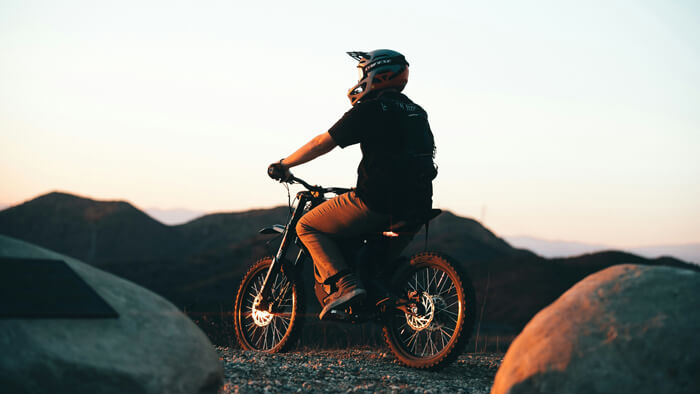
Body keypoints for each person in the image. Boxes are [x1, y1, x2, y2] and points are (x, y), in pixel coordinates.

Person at [268, 49, 437, 320]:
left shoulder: (370, 109)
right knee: (374, 265)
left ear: (376, 75)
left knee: (306, 225)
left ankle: (345, 285)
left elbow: (321, 143)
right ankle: (380, 294)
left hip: (377, 201)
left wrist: (285, 164)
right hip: (417, 206)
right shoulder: (417, 112)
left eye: (362, 73)